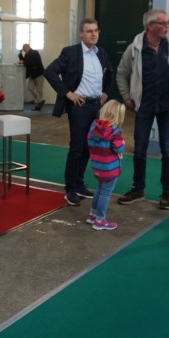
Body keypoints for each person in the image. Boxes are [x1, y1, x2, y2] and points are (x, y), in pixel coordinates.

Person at [44, 17, 114, 206]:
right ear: (81, 34)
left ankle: (79, 184)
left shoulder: (101, 52)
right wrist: (67, 93)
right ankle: (70, 189)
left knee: (88, 147)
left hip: (96, 106)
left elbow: (110, 72)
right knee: (77, 148)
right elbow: (50, 71)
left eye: (96, 30)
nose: (93, 34)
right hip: (79, 106)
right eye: (89, 31)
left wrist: (106, 92)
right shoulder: (70, 52)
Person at [115, 9, 169, 210]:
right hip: (144, 105)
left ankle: (168, 192)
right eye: (162, 23)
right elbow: (121, 73)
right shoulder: (134, 49)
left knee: (167, 150)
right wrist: (127, 97)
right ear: (150, 26)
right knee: (140, 148)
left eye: (168, 22)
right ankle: (138, 189)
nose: (167, 26)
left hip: (167, 105)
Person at [86, 100, 126, 231]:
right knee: (105, 194)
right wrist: (122, 143)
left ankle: (92, 215)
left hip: (97, 167)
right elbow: (119, 149)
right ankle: (100, 220)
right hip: (110, 169)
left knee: (99, 190)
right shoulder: (115, 132)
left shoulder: (94, 127)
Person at [18, 43, 46, 110]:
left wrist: (23, 62)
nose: (24, 50)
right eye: (23, 50)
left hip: (39, 74)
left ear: (27, 47)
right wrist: (20, 53)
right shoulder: (27, 54)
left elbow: (30, 62)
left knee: (39, 90)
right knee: (30, 87)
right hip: (32, 75)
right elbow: (24, 60)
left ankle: (39, 105)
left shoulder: (35, 52)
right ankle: (40, 100)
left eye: (24, 49)